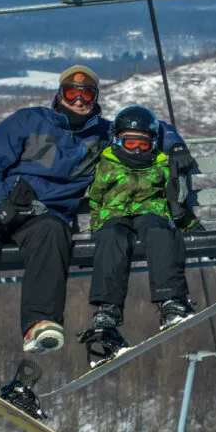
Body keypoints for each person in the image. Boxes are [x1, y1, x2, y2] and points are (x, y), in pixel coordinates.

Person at [0, 66, 195, 415]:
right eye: (71, 92)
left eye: (86, 94)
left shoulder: (102, 134)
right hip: (0, 204)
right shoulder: (29, 121)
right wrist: (0, 203)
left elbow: (148, 126)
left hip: (46, 213)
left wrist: (175, 145)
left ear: (95, 99)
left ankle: (40, 324)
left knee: (53, 234)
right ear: (59, 94)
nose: (78, 100)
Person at [77, 105, 199, 367]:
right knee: (111, 239)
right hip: (114, 215)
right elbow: (97, 198)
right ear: (118, 141)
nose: (135, 150)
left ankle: (171, 300)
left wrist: (188, 224)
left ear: (153, 144)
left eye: (142, 145)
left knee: (161, 233)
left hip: (151, 212)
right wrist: (96, 228)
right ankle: (107, 308)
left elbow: (175, 199)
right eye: (129, 143)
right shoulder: (106, 162)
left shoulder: (161, 164)